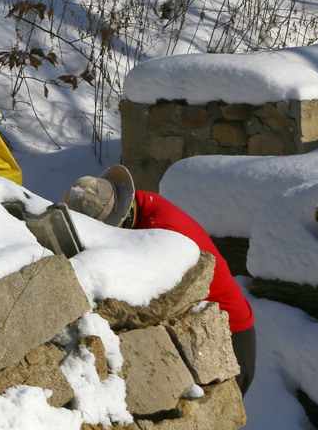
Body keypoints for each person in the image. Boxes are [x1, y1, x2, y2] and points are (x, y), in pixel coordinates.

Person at [62, 165, 257, 396]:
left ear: (122, 217)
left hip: (226, 330)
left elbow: (145, 300)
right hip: (197, 324)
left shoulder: (165, 234)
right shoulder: (138, 207)